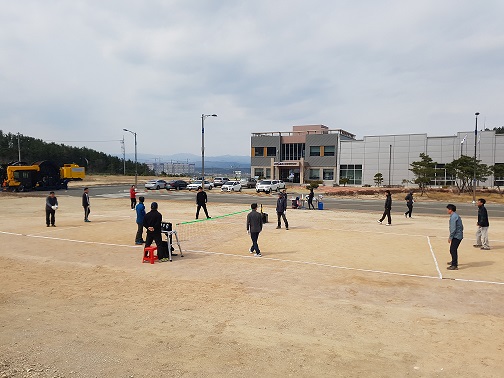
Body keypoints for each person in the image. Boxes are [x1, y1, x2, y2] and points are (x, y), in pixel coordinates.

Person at [446, 204, 464, 270]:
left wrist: (450, 237)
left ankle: (454, 265)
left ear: (450, 210)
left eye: (448, 209)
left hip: (457, 236)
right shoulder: (455, 216)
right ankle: (453, 261)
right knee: (453, 249)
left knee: (453, 250)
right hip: (458, 235)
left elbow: (453, 228)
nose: (447, 210)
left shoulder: (454, 217)